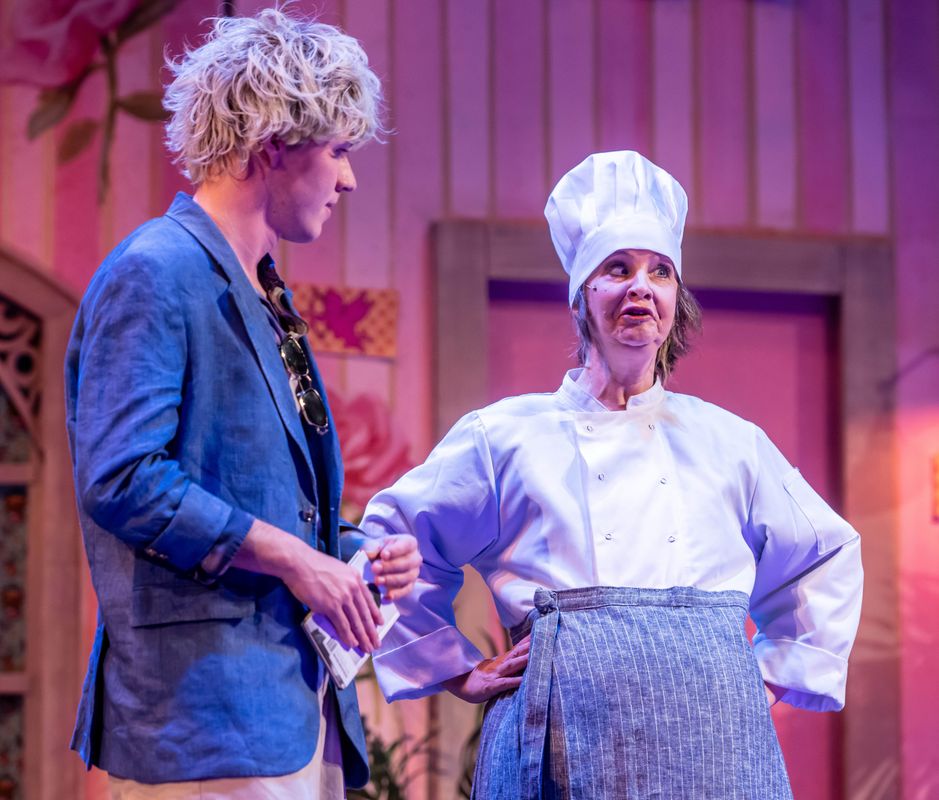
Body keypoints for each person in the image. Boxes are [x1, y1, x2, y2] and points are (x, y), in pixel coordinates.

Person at [361, 151, 863, 799]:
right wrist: (455, 669)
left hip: (716, 756)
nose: (640, 287)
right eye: (617, 269)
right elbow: (393, 538)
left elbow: (825, 554)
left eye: (659, 271)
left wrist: (759, 680)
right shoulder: (506, 435)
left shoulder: (730, 442)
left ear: (675, 298)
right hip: (561, 747)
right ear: (580, 297)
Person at [65, 9, 420, 798]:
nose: (349, 180)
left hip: (286, 705)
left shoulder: (263, 293)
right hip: (203, 713)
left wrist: (349, 552)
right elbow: (122, 479)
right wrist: (296, 560)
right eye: (338, 151)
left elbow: (260, 498)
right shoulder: (157, 271)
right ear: (273, 145)